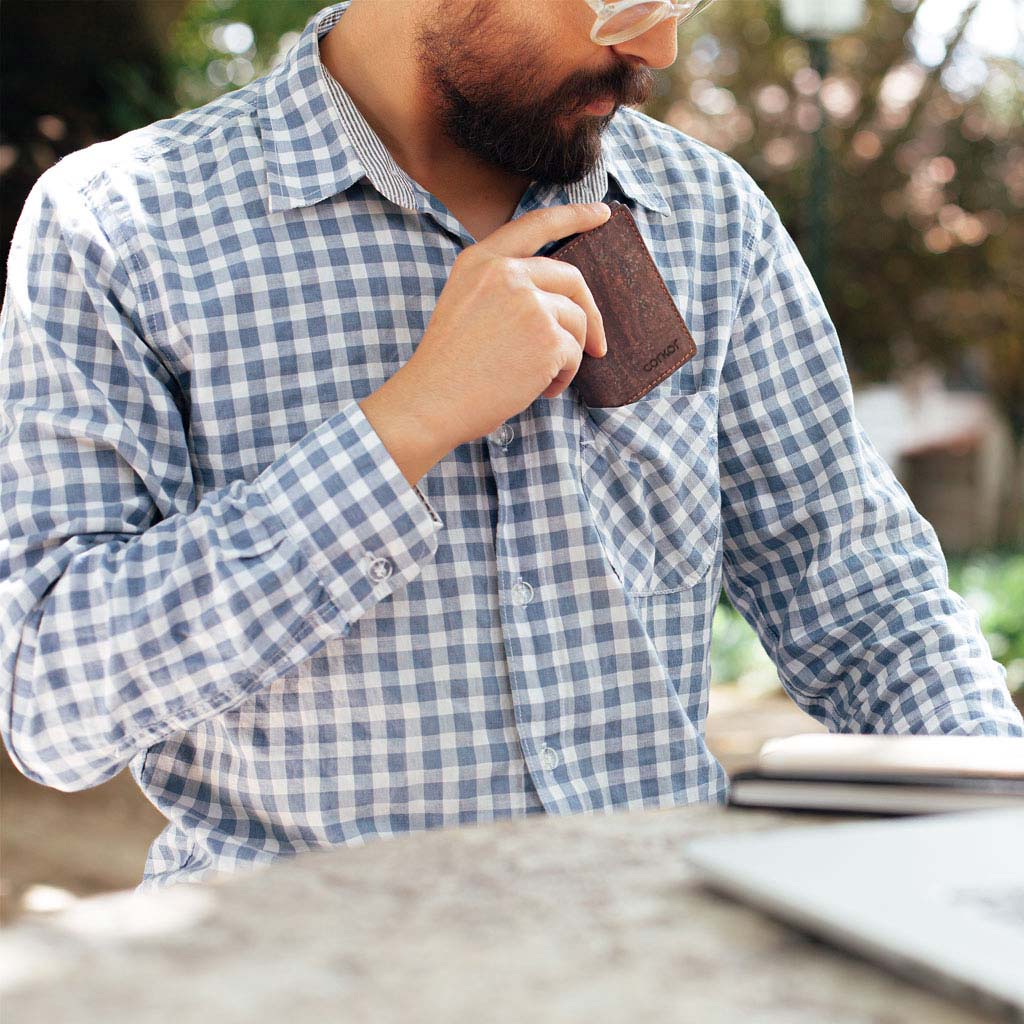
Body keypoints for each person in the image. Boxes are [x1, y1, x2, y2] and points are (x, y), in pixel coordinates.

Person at [1, 0, 1020, 892]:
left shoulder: (711, 220)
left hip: (660, 964)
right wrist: (404, 425)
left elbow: (865, 599)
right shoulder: (119, 227)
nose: (657, 46)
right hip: (304, 977)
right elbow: (55, 705)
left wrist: (1000, 838)